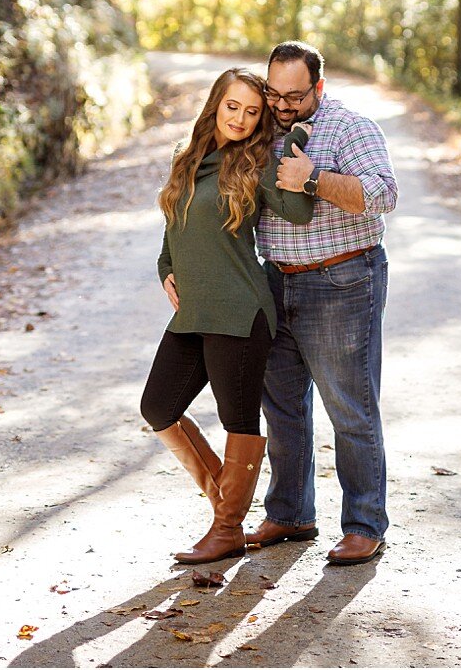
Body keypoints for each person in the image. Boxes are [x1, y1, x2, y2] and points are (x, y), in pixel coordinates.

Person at [140, 67, 315, 565]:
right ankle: (226, 510)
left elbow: (299, 213)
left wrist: (294, 157)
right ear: (216, 104)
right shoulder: (188, 158)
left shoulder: (256, 163)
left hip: (240, 312)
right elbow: (174, 225)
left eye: (252, 112)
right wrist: (165, 268)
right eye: (232, 106)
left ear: (260, 120)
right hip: (194, 310)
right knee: (157, 408)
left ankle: (226, 527)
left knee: (237, 418)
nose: (240, 118)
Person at [247, 41, 398, 566]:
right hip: (275, 282)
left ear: (319, 87)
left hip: (341, 282)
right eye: (274, 93)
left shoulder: (350, 128)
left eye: (294, 95)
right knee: (283, 408)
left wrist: (312, 179)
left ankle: (364, 524)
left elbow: (382, 195)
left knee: (349, 408)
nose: (282, 105)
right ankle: (290, 514)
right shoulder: (262, 126)